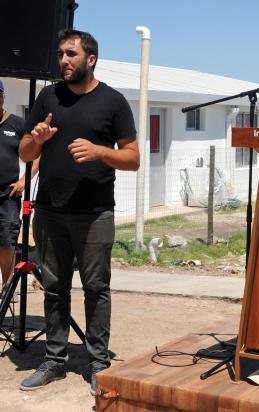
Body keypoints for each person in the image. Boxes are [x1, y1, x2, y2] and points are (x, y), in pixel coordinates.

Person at [18, 30, 139, 394]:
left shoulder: (113, 102)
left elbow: (132, 158)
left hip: (95, 213)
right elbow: (25, 154)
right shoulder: (48, 96)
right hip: (51, 211)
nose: (63, 61)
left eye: (71, 54)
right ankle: (54, 360)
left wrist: (101, 152)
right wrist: (35, 140)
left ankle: (97, 361)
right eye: (60, 54)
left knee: (96, 288)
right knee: (54, 288)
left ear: (91, 59)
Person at [0, 80, 39, 286]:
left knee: (6, 243)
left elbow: (38, 152)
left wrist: (25, 180)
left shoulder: (17, 124)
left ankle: (6, 290)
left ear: (3, 98)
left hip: (7, 196)